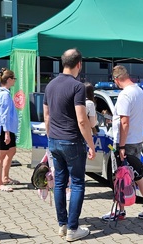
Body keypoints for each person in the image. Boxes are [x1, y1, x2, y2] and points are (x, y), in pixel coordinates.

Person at [43, 48, 96, 242]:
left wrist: (51, 137)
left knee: (59, 183)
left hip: (55, 141)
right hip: (72, 141)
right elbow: (82, 120)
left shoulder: (50, 86)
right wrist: (91, 144)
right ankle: (73, 229)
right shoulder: (78, 86)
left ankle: (62, 225)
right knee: (78, 184)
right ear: (79, 64)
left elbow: (46, 116)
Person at [102, 65, 143, 221]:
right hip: (137, 140)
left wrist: (121, 145)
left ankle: (119, 210)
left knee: (119, 176)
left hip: (125, 143)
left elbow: (124, 122)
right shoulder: (139, 91)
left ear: (117, 79)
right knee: (137, 175)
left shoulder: (125, 95)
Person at [0, 68, 19, 192]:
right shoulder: (4, 95)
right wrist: (6, 133)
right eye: (13, 78)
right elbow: (4, 115)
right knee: (0, 155)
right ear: (8, 80)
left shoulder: (1, 93)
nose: (14, 81)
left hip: (7, 129)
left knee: (12, 150)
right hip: (5, 129)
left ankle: (5, 177)